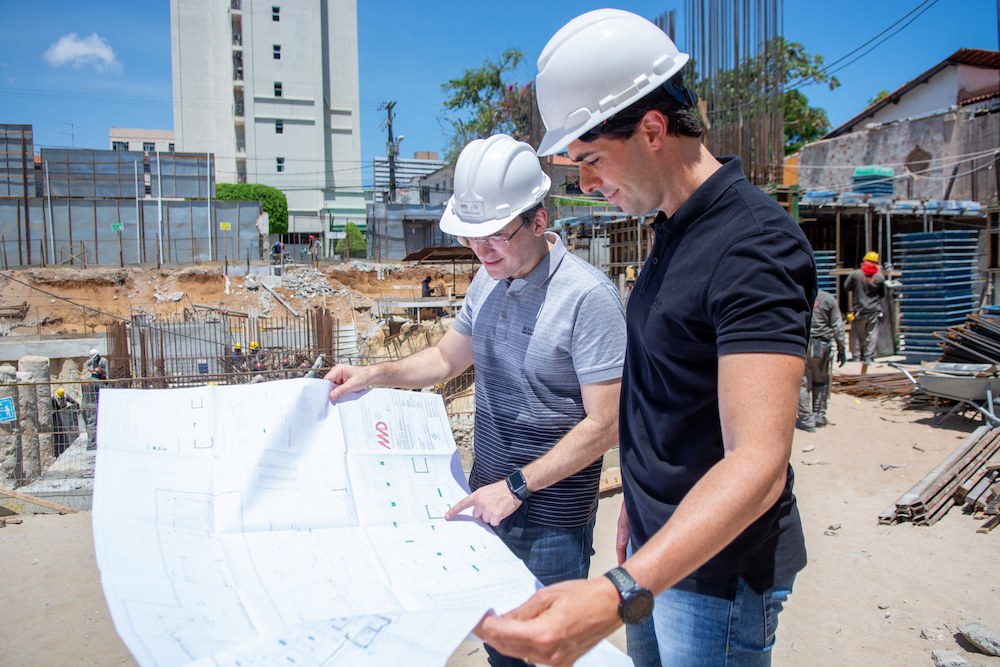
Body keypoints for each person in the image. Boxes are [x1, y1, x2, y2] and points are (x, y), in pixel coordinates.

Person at [475, 10, 815, 667]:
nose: (586, 184)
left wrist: (617, 590)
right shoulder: (673, 230)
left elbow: (758, 463)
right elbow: (667, 397)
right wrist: (636, 499)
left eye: (591, 158)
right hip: (659, 552)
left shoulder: (753, 243)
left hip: (716, 573)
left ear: (653, 129)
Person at [324, 133, 627, 667]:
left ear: (538, 219)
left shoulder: (588, 299)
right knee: (500, 653)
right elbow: (445, 359)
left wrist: (515, 488)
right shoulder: (488, 279)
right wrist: (377, 373)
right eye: (470, 239)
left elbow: (608, 424)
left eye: (494, 237)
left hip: (551, 523)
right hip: (486, 510)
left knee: (541, 656)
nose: (481, 251)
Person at [796, 290, 847, 432]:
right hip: (820, 346)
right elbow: (837, 326)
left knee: (802, 384)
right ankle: (818, 415)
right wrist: (841, 349)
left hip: (802, 345)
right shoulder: (828, 298)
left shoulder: (800, 296)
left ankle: (807, 421)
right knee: (821, 381)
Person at [844, 251, 887, 374]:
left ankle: (857, 357)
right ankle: (868, 357)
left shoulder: (856, 274)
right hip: (873, 310)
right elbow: (883, 294)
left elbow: (847, 287)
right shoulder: (879, 277)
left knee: (856, 334)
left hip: (858, 310)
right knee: (872, 334)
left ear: (864, 260)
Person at [83, 349, 108, 449]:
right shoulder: (97, 383)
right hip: (93, 406)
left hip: (84, 405)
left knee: (89, 425)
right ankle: (91, 444)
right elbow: (104, 391)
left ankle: (91, 441)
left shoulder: (85, 381)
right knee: (93, 424)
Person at [51, 387, 80, 457]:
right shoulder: (53, 399)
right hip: (58, 417)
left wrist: (77, 408)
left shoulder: (65, 396)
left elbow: (74, 402)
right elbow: (52, 408)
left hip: (65, 415)